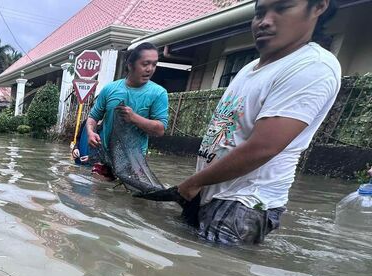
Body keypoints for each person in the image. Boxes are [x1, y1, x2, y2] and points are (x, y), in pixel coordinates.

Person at [141, 0, 340, 245]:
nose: (265, 21)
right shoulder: (249, 69)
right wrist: (197, 185)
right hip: (209, 192)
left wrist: (193, 183)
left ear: (318, 7)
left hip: (243, 204)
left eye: (282, 8)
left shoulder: (312, 67)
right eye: (259, 13)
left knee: (208, 267)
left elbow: (263, 148)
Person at [85, 42, 169, 179]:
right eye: (145, 64)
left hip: (134, 161)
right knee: (98, 190)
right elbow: (93, 117)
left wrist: (134, 118)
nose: (150, 69)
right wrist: (90, 132)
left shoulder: (159, 93)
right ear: (130, 65)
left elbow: (160, 130)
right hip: (105, 157)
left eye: (154, 64)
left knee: (129, 192)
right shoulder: (110, 89)